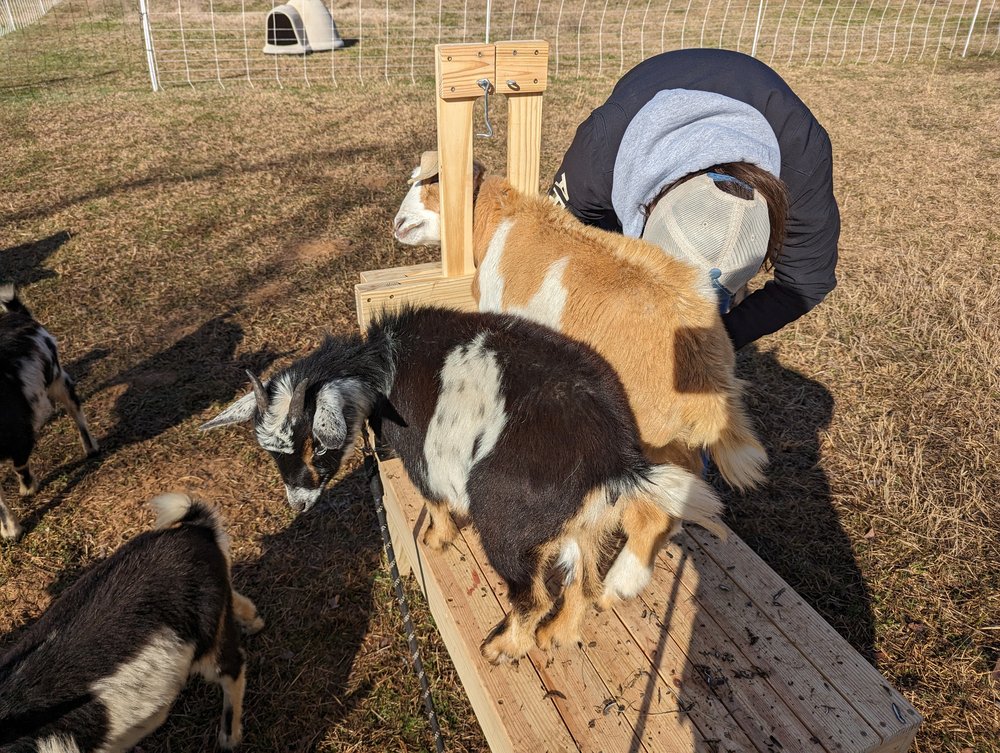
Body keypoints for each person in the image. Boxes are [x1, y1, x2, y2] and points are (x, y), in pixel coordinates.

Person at [548, 48, 840, 351]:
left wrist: (717, 339)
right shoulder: (600, 155)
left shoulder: (805, 163)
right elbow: (549, 241)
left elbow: (805, 283)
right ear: (649, 208)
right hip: (650, 88)